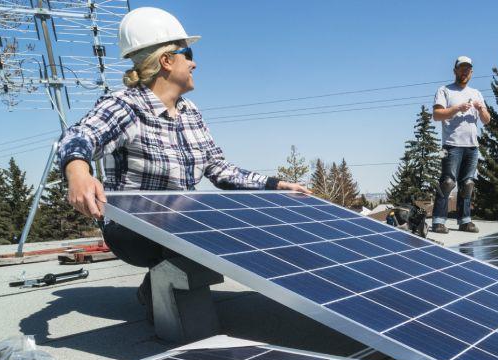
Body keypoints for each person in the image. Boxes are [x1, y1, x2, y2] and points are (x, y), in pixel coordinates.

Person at [57, 7, 309, 318]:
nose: (194, 62)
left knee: (234, 221)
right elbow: (78, 136)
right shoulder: (125, 106)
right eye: (186, 53)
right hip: (132, 230)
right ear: (166, 60)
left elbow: (218, 169)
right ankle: (162, 298)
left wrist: (273, 185)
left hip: (180, 221)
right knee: (202, 226)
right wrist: (78, 172)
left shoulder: (191, 112)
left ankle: (161, 287)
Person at [431, 56, 490, 234]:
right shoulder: (445, 90)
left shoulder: (477, 93)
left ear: (471, 72)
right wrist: (457, 108)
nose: (465, 71)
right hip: (451, 145)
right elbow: (437, 115)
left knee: (468, 184)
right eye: (461, 68)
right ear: (455, 70)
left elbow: (487, 121)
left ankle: (464, 220)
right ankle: (438, 221)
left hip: (472, 146)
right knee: (447, 182)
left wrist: (480, 109)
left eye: (468, 69)